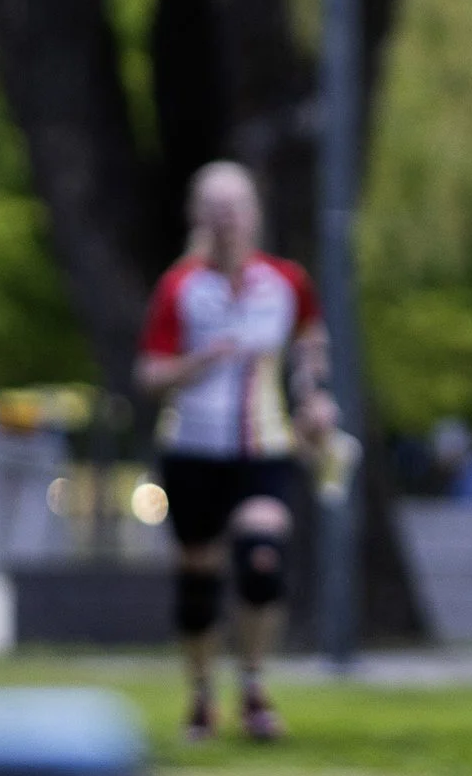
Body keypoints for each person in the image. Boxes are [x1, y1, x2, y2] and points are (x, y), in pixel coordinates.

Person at [134, 161, 335, 743]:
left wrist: (314, 399)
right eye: (214, 208)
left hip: (263, 447)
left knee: (261, 559)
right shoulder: (180, 286)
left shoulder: (285, 281)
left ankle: (253, 684)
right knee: (198, 583)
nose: (226, 220)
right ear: (197, 215)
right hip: (192, 447)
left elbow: (310, 344)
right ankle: (201, 694)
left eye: (235, 207)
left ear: (254, 214)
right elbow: (149, 374)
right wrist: (198, 363)